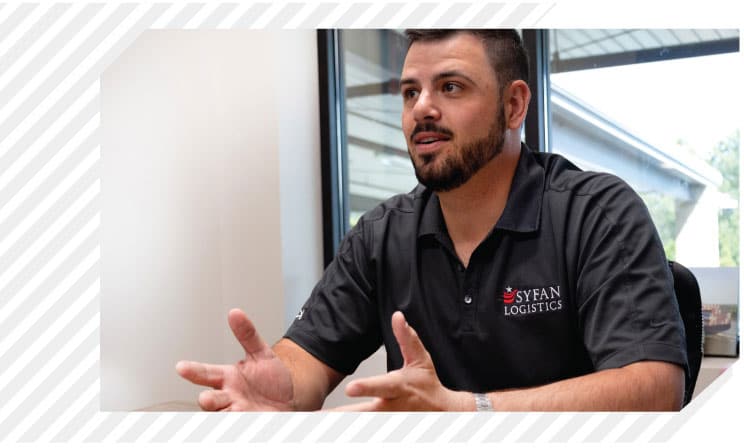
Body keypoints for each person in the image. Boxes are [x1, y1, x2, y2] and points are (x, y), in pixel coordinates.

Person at [176, 29, 688, 412]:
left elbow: (654, 385)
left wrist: (471, 412)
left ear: (513, 106)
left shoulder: (596, 213)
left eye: (450, 87)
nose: (422, 108)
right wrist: (282, 386)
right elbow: (308, 360)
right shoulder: (381, 234)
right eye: (409, 92)